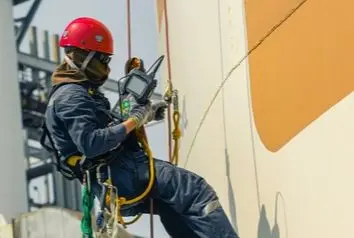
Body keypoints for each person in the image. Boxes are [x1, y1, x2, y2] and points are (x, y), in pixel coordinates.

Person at [42, 17, 239, 238]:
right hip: (120, 173)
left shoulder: (78, 91)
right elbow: (92, 143)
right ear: (84, 57)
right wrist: (134, 120)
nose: (106, 67)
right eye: (103, 60)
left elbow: (108, 126)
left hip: (117, 175)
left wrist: (145, 115)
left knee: (171, 204)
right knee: (194, 189)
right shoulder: (71, 95)